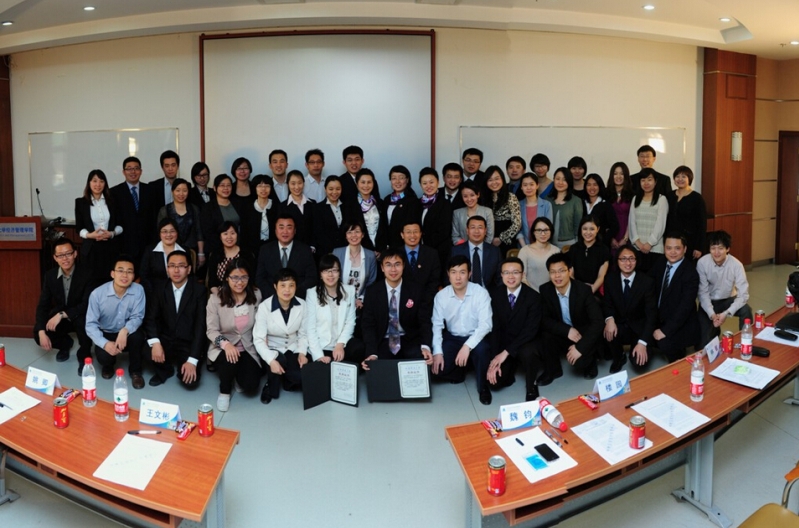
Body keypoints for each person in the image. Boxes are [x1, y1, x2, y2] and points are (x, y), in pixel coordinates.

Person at [431, 255, 493, 405]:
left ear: (470, 274)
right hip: (453, 337)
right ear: (448, 274)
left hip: (476, 336)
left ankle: (483, 387)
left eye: (462, 272)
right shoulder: (441, 296)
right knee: (437, 370)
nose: (458, 277)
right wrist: (437, 352)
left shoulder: (480, 293)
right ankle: (460, 371)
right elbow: (437, 325)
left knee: (482, 351)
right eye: (453, 272)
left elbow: (486, 325)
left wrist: (467, 346)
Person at [205, 258, 263, 411]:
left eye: (244, 277)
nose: (239, 282)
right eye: (235, 278)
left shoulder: (256, 295)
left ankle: (236, 376)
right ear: (227, 278)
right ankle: (224, 391)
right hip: (223, 348)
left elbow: (261, 323)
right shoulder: (215, 299)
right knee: (229, 360)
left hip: (247, 347)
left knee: (251, 386)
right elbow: (211, 330)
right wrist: (226, 344)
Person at [143, 250, 206, 388]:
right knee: (145, 350)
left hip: (187, 342)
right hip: (166, 339)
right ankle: (165, 370)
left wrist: (192, 360)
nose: (176, 270)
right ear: (167, 269)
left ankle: (185, 365)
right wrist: (156, 343)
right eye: (172, 266)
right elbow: (151, 318)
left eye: (181, 266)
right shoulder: (160, 288)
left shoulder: (199, 290)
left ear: (189, 269)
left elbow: (200, 326)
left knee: (190, 382)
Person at [360, 249, 433, 367]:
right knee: (375, 366)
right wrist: (371, 352)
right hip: (384, 339)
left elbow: (424, 321)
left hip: (409, 339)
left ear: (403, 266)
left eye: (397, 264)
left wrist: (425, 346)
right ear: (382, 268)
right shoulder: (373, 292)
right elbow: (368, 325)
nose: (393, 269)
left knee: (420, 360)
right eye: (388, 265)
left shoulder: (416, 290)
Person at [537, 253, 602, 383]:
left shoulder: (583, 290)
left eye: (561, 271)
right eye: (553, 272)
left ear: (570, 271)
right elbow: (544, 319)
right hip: (563, 331)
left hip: (582, 333)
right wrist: (567, 330)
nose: (557, 276)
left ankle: (591, 362)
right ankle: (553, 370)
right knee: (545, 335)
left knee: (580, 362)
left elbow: (598, 322)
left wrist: (580, 348)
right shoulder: (545, 290)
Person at [85, 255, 146, 388]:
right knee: (104, 357)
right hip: (106, 332)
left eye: (129, 272)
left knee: (138, 337)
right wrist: (105, 343)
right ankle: (108, 366)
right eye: (120, 270)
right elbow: (90, 325)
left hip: (126, 331)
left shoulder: (138, 290)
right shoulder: (97, 294)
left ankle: (135, 371)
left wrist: (125, 330)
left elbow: (137, 316)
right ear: (112, 274)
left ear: (133, 275)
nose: (125, 275)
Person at [34, 239, 95, 372]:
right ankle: (65, 345)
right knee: (39, 331)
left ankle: (84, 355)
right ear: (55, 258)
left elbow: (87, 304)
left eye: (68, 254)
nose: (65, 258)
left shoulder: (87, 274)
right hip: (61, 313)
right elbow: (43, 305)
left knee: (83, 323)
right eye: (60, 255)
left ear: (75, 254)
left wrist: (62, 315)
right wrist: (41, 331)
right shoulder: (50, 275)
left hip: (81, 313)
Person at [487, 257, 542, 401]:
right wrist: (494, 359)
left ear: (523, 274)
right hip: (505, 342)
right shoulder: (495, 295)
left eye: (515, 272)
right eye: (506, 272)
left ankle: (531, 385)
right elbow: (494, 329)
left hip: (525, 342)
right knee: (495, 383)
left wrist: (506, 352)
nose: (511, 276)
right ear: (501, 275)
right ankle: (510, 371)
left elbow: (530, 331)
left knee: (529, 353)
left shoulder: (534, 297)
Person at [253, 267, 309, 404]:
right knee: (275, 389)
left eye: (291, 285)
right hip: (272, 348)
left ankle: (287, 379)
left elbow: (303, 334)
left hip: (291, 347)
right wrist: (271, 360)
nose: (287, 290)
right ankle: (269, 384)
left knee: (300, 377)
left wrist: (302, 352)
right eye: (283, 285)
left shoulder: (302, 304)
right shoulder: (265, 307)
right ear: (275, 286)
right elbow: (259, 339)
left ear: (296, 287)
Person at [602, 246, 657, 373]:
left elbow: (652, 315)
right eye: (623, 259)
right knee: (604, 330)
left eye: (632, 259)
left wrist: (643, 342)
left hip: (639, 329)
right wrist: (609, 319)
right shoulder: (610, 279)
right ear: (617, 261)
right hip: (620, 326)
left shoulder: (647, 282)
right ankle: (619, 356)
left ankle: (646, 347)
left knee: (639, 364)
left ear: (637, 261)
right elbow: (607, 304)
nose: (628, 263)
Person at [304, 254, 365, 366]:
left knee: (358, 348)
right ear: (320, 274)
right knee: (321, 368)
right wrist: (319, 355)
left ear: (339, 273)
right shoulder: (312, 293)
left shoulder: (349, 290)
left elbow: (350, 322)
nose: (330, 275)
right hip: (321, 345)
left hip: (342, 344)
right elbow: (310, 328)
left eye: (334, 270)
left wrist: (340, 344)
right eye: (326, 271)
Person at [696, 230, 753, 348]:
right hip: (709, 301)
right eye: (713, 248)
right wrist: (712, 314)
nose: (716, 252)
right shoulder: (702, 263)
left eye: (721, 248)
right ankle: (714, 331)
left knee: (746, 310)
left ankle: (746, 341)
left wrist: (726, 313)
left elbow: (743, 295)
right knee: (703, 346)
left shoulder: (736, 265)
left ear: (728, 249)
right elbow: (702, 293)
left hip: (728, 300)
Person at [650, 233, 700, 362]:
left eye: (677, 248)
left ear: (685, 249)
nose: (672, 252)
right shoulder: (660, 262)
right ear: (664, 248)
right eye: (668, 248)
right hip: (660, 316)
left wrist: (665, 331)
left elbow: (684, 308)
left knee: (664, 344)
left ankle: (679, 350)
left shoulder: (691, 273)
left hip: (679, 321)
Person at [75, 169, 122, 283]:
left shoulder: (113, 201)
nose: (98, 184)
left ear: (105, 183)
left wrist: (111, 233)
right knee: (91, 282)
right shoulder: (81, 202)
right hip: (91, 250)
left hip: (110, 248)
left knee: (110, 281)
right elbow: (79, 228)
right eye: (94, 181)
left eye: (101, 181)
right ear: (89, 183)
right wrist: (89, 235)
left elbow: (120, 225)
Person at [255, 213, 316, 299]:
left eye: (289, 227)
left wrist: (292, 294)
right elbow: (260, 279)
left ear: (295, 230)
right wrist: (276, 296)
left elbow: (311, 278)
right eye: (281, 227)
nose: (285, 231)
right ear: (275, 230)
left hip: (298, 298)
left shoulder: (305, 250)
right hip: (271, 298)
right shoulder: (265, 250)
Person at [110, 156, 156, 267]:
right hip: (124, 245)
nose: (133, 172)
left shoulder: (150, 190)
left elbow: (154, 218)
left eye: (136, 168)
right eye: (129, 169)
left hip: (147, 245)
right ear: (123, 172)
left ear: (141, 171)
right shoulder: (114, 192)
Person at [628, 168, 669, 272]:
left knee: (653, 278)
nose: (646, 183)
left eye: (649, 179)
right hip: (637, 248)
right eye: (643, 180)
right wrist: (637, 242)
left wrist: (650, 243)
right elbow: (631, 222)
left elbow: (660, 224)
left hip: (655, 249)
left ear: (655, 181)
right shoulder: (635, 199)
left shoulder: (661, 199)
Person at [156, 177, 204, 265]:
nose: (181, 194)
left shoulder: (194, 209)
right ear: (172, 191)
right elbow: (160, 233)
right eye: (178, 190)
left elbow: (199, 231)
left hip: (191, 250)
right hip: (170, 251)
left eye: (184, 190)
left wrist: (201, 253)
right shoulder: (164, 210)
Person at [333, 221, 378, 309]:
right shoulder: (337, 253)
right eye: (349, 232)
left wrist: (361, 299)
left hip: (361, 303)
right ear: (346, 236)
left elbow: (371, 282)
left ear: (363, 234)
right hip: (339, 300)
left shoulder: (370, 255)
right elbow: (333, 278)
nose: (353, 235)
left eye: (357, 232)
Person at [666, 165, 707, 260]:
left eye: (683, 176)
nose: (680, 179)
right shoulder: (669, 196)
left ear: (690, 179)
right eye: (677, 176)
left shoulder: (697, 198)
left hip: (690, 241)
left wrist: (699, 247)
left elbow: (702, 224)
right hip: (671, 239)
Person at [312, 175, 358, 257]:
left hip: (347, 252)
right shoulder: (318, 208)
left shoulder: (347, 207)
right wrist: (330, 252)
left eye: (338, 189)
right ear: (325, 189)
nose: (334, 192)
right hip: (326, 254)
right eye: (331, 189)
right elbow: (318, 233)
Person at [139, 217, 186, 298]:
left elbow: (189, 275)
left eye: (172, 231)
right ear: (159, 233)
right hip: (154, 294)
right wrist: (154, 293)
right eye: (164, 231)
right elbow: (143, 275)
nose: (168, 235)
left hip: (179, 293)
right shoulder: (150, 251)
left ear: (177, 233)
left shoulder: (184, 251)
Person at [451, 215, 501, 288]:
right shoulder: (456, 251)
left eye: (480, 227)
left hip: (488, 292)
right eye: (473, 227)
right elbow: (449, 277)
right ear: (467, 231)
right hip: (463, 291)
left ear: (485, 231)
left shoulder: (495, 251)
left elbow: (500, 277)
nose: (476, 231)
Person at [418, 167, 452, 273]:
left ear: (438, 182)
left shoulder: (445, 204)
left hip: (438, 251)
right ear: (420, 185)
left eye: (431, 182)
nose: (428, 186)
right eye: (424, 183)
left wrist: (426, 247)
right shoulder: (417, 203)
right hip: (419, 250)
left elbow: (444, 231)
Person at [483, 165, 521, 257]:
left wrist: (501, 238)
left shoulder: (510, 197)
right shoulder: (484, 198)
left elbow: (517, 223)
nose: (494, 182)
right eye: (490, 180)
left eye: (497, 179)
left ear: (502, 179)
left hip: (506, 241)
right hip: (488, 241)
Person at [240, 174, 279, 262]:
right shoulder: (247, 208)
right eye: (260, 186)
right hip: (252, 250)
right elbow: (244, 232)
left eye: (267, 186)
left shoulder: (277, 206)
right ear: (255, 188)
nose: (263, 189)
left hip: (273, 248)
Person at [381, 164, 421, 250]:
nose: (397, 181)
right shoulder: (387, 199)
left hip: (404, 246)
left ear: (407, 180)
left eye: (401, 178)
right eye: (394, 178)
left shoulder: (412, 201)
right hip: (388, 246)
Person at [206, 221, 254, 293]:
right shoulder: (215, 255)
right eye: (225, 234)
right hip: (221, 294)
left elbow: (252, 279)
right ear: (220, 237)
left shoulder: (246, 254)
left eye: (232, 233)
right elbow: (212, 282)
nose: (229, 237)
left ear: (237, 235)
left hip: (243, 292)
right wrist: (218, 297)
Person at [200, 174, 240, 259]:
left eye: (228, 185)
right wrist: (227, 244)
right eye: (222, 185)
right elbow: (208, 232)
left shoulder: (238, 204)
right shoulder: (208, 208)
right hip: (217, 250)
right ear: (215, 188)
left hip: (238, 248)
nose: (226, 188)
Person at [399, 221, 441, 303]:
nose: (412, 235)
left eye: (415, 232)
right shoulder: (396, 254)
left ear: (421, 234)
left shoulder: (432, 254)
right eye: (408, 232)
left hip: (426, 301)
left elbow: (435, 280)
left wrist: (425, 300)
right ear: (402, 235)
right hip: (401, 301)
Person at [570, 215, 611, 295]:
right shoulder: (574, 249)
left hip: (595, 291)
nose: (588, 232)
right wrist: (579, 290)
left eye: (592, 229)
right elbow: (570, 274)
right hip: (576, 290)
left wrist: (590, 291)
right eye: (585, 229)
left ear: (598, 229)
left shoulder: (603, 250)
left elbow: (601, 276)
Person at [544, 166, 583, 249]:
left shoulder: (576, 201)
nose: (560, 182)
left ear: (569, 181)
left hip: (569, 245)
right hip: (548, 244)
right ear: (553, 180)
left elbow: (578, 226)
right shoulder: (547, 200)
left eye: (564, 180)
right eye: (557, 179)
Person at [518, 216, 560, 291]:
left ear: (551, 231)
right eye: (539, 230)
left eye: (546, 230)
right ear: (533, 232)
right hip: (531, 293)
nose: (543, 234)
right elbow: (522, 277)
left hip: (552, 293)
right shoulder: (525, 251)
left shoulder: (556, 251)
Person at [451, 180, 494, 245]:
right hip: (463, 249)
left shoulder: (487, 212)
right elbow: (455, 236)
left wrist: (480, 248)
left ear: (478, 195)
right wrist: (467, 248)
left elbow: (489, 236)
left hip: (484, 249)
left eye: (472, 195)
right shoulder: (457, 213)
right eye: (465, 196)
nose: (469, 199)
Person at [516, 173, 554, 246]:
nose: (528, 188)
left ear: (537, 185)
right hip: (524, 246)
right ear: (521, 187)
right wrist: (525, 248)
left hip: (543, 245)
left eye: (531, 184)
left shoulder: (546, 205)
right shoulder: (518, 205)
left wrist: (539, 247)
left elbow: (548, 228)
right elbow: (518, 230)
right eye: (525, 185)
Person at [353, 168, 386, 251]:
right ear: (357, 184)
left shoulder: (380, 203)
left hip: (381, 250)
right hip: (360, 250)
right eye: (363, 182)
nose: (366, 186)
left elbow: (385, 228)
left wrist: (380, 250)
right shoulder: (350, 206)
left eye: (369, 182)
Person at [606, 162, 634, 256]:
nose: (618, 176)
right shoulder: (606, 193)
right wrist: (610, 238)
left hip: (627, 232)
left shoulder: (632, 194)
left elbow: (632, 217)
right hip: (610, 234)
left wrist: (625, 238)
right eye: (615, 174)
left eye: (622, 174)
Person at [583, 173, 619, 248]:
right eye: (589, 185)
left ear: (600, 186)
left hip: (601, 246)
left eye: (595, 185)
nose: (592, 188)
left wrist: (604, 240)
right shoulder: (581, 203)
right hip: (583, 244)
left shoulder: (605, 204)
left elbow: (615, 226)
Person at [282, 169, 315, 245]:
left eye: (299, 183)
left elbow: (317, 228)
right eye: (293, 184)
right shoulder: (282, 207)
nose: (297, 187)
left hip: (311, 248)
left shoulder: (312, 204)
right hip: (291, 247)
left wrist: (313, 246)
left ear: (304, 183)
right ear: (287, 184)